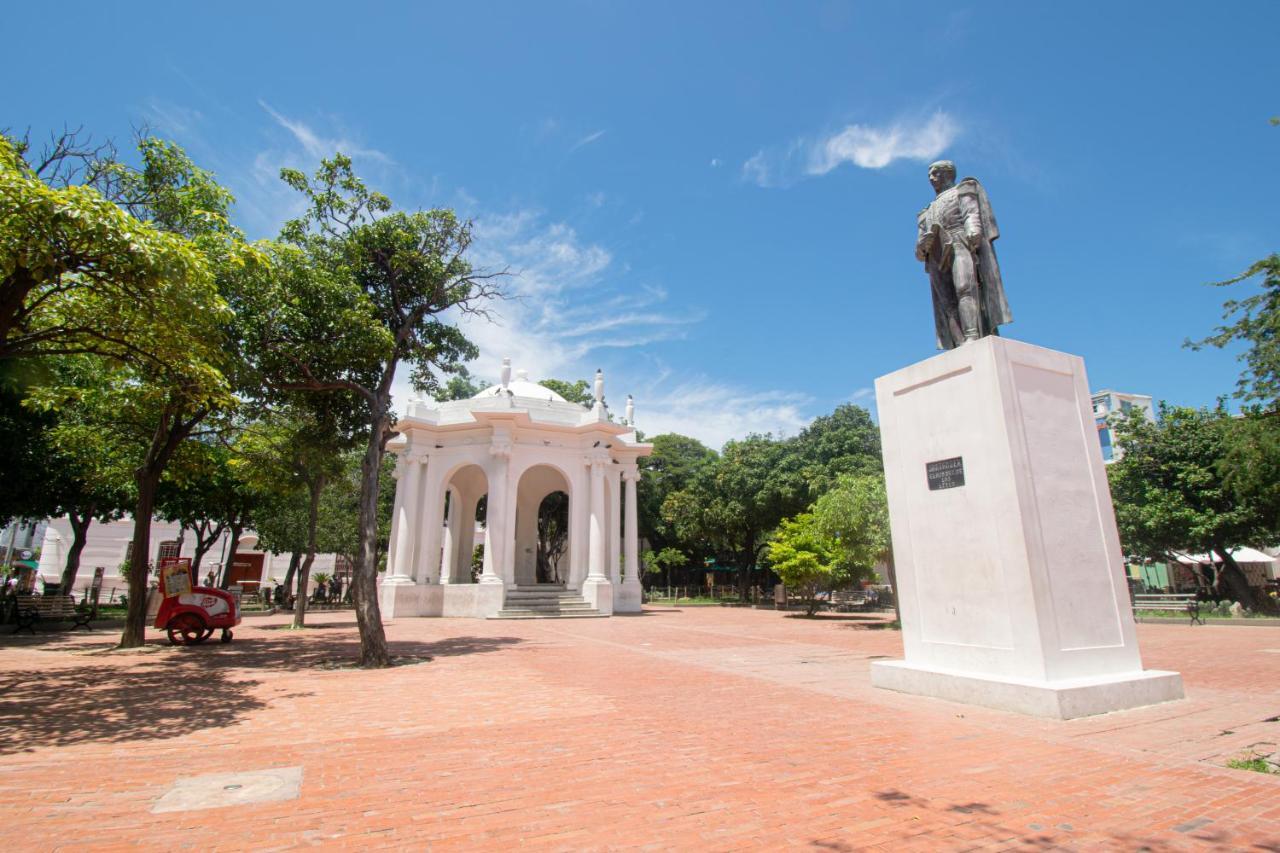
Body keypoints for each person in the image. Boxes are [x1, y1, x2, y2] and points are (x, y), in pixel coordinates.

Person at [915, 160, 1012, 349]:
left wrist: (973, 230)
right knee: (946, 301)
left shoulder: (963, 190)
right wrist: (922, 245)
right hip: (935, 253)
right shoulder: (925, 212)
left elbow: (971, 213)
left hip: (959, 242)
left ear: (948, 174)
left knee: (964, 288)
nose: (931, 178)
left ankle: (972, 336)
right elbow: (918, 252)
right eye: (929, 175)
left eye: (936, 173)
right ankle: (958, 343)